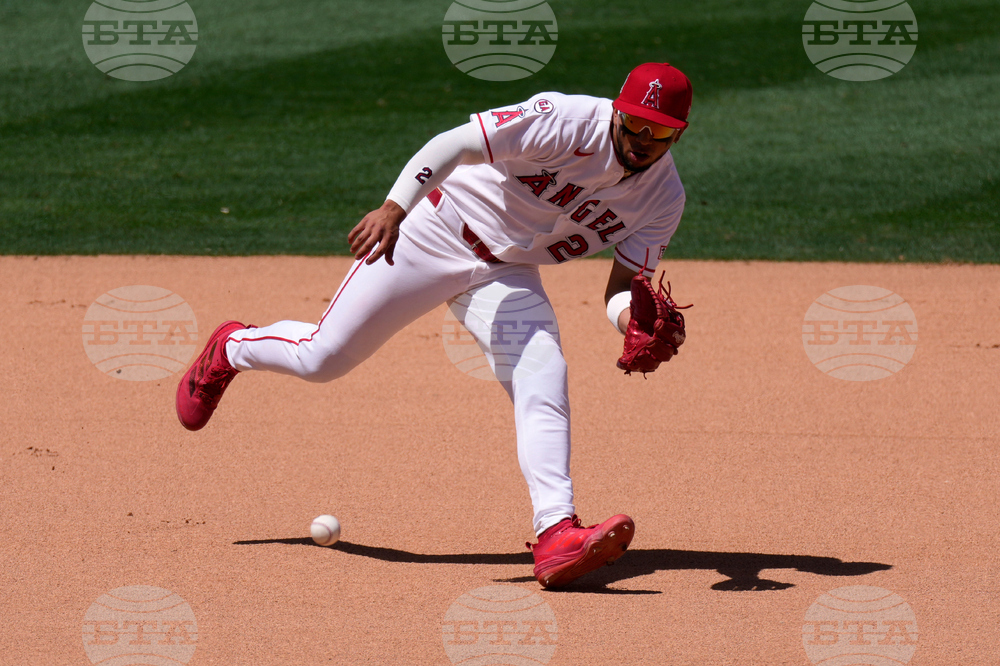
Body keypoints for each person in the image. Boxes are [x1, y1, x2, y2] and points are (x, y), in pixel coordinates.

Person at [176, 62, 693, 588]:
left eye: (660, 132)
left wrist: (633, 320)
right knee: (322, 358)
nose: (643, 139)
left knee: (543, 371)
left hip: (507, 272)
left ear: (679, 133)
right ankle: (232, 347)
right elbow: (458, 143)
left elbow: (622, 287)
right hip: (432, 230)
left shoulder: (663, 200)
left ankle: (556, 531)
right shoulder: (565, 118)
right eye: (635, 124)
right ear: (618, 111)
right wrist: (394, 207)